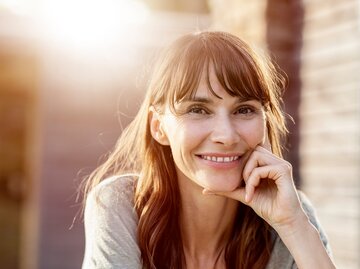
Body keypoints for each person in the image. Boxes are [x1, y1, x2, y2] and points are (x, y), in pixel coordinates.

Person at [81, 31, 336, 269]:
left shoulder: (292, 213)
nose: (225, 135)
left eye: (244, 110)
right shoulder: (120, 205)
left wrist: (293, 225)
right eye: (198, 110)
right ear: (159, 127)